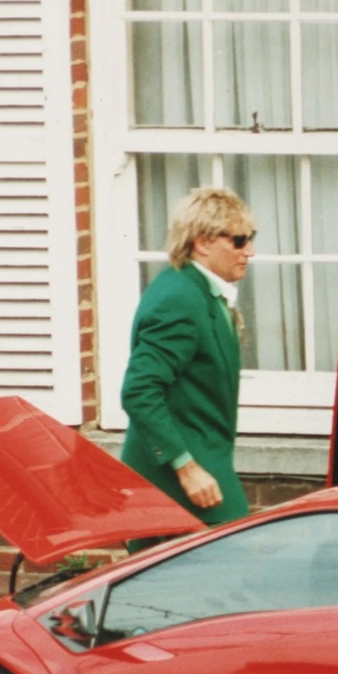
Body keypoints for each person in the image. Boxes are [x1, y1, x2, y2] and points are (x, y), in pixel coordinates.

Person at [121, 187, 256, 545]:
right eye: (240, 241)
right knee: (232, 566)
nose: (250, 252)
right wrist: (186, 466)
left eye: (250, 239)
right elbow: (139, 390)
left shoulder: (199, 290)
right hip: (176, 478)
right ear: (203, 243)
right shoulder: (180, 299)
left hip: (203, 464)